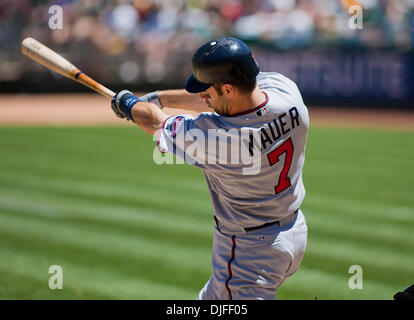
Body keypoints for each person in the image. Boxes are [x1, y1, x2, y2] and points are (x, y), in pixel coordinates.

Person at [111, 37, 309, 300]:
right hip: (293, 230)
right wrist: (159, 97)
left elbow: (154, 122)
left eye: (207, 91)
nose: (203, 96)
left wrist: (128, 104)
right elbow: (223, 97)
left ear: (228, 89)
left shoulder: (220, 141)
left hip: (250, 253)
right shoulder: (287, 92)